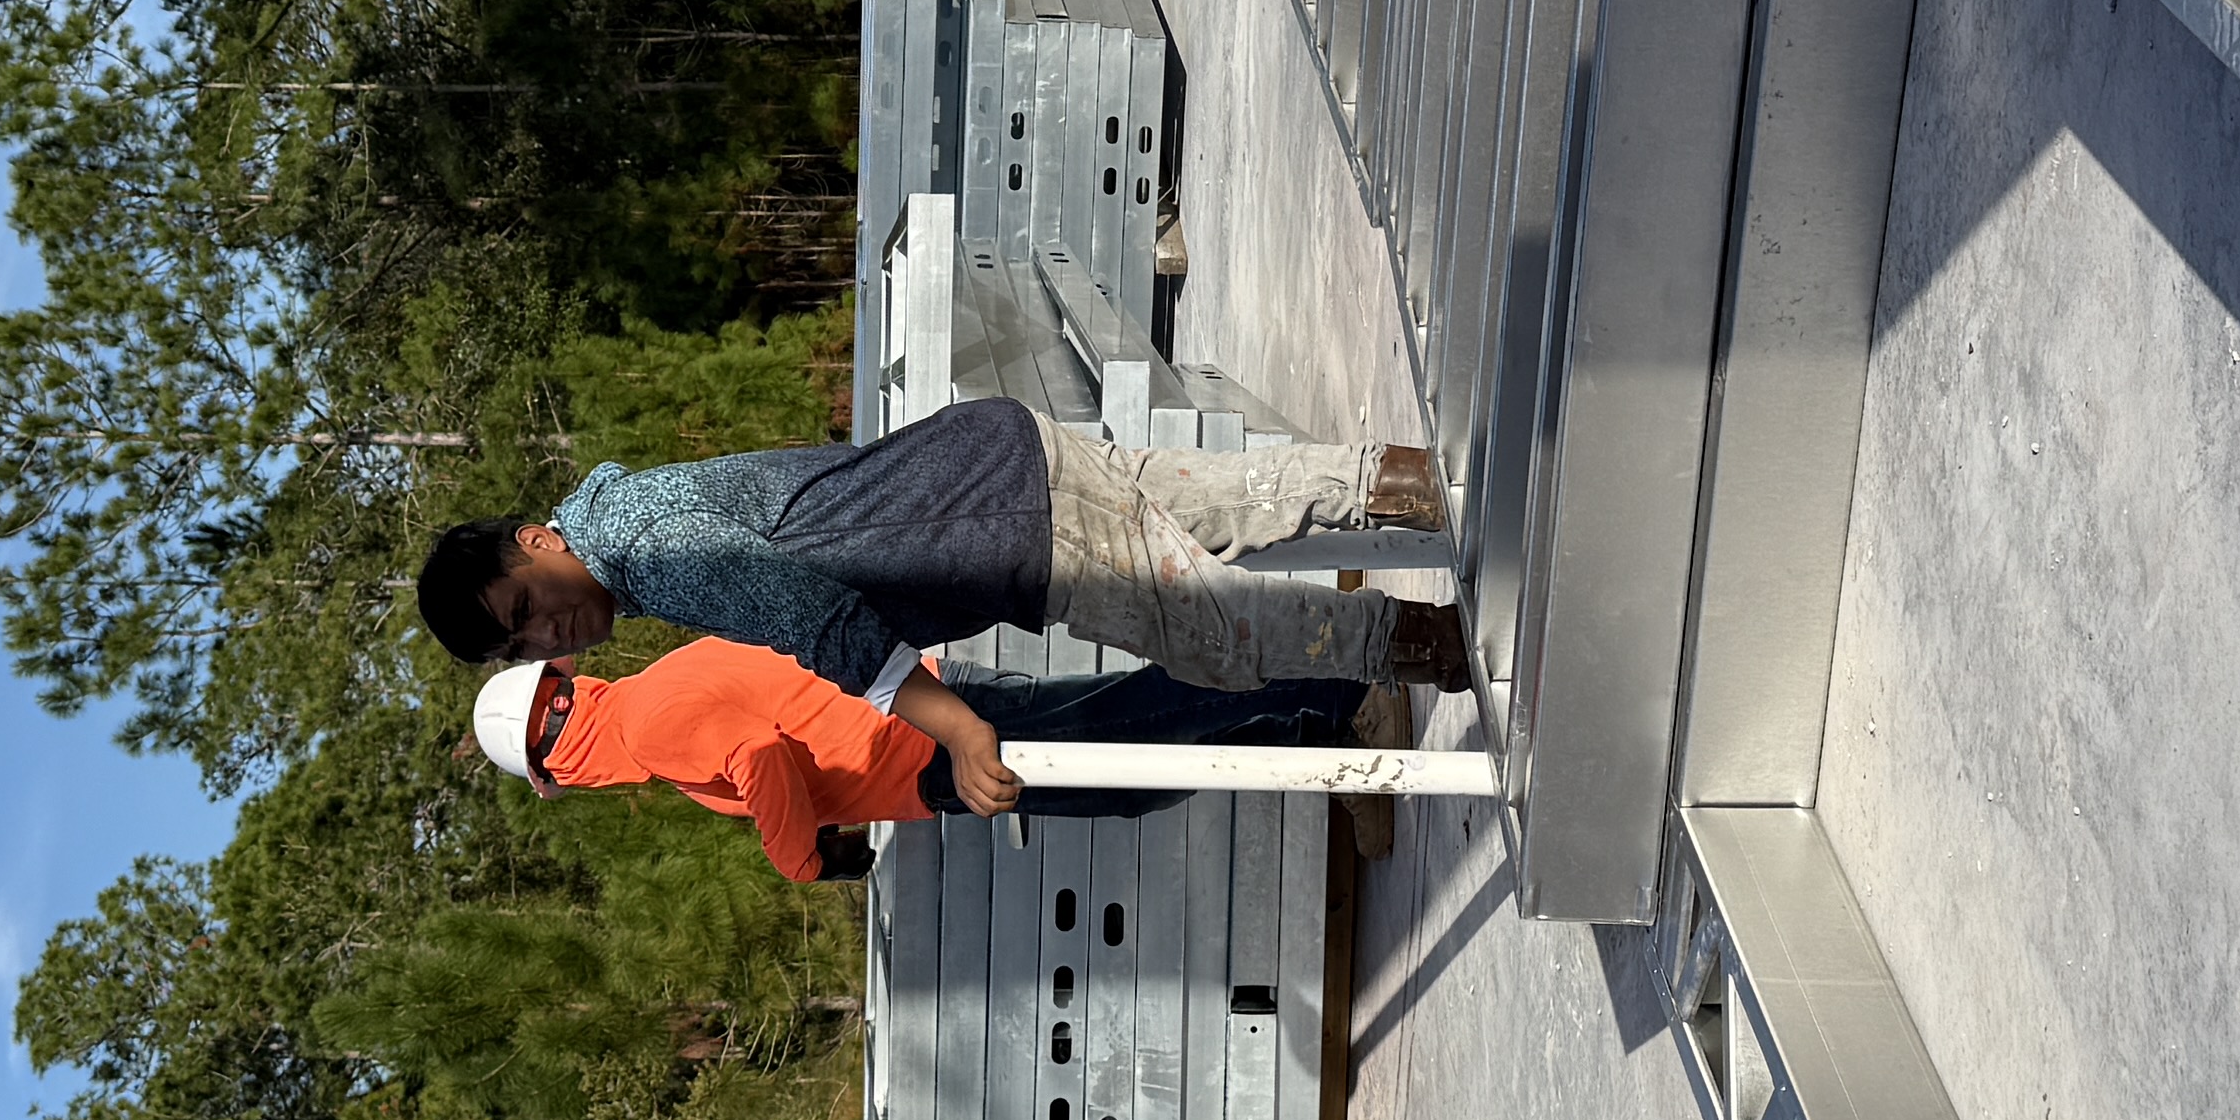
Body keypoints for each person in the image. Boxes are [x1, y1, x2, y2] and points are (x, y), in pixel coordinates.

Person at [412, 403, 1467, 704]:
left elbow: (814, 620)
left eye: (523, 610)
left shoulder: (645, 551)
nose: (549, 635)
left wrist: (953, 730)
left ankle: (1427, 645)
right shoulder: (627, 524)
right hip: (996, 468)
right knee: (1219, 501)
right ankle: (1420, 483)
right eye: (526, 648)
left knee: (1216, 637)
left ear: (533, 542)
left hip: (1004, 530)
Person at [465, 634, 1390, 882]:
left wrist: (804, 857)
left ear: (555, 771)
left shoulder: (641, 731)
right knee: (1130, 770)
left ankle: (1340, 701)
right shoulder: (649, 692)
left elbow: (759, 755)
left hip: (932, 737)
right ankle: (1322, 732)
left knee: (1137, 730)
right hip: (924, 741)